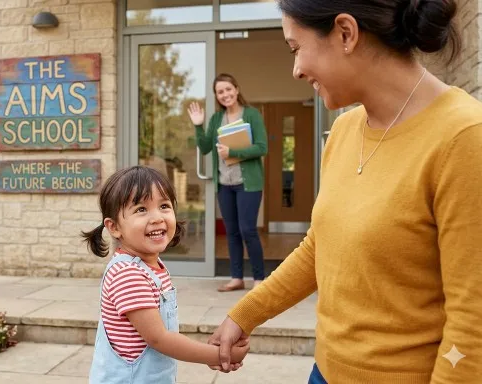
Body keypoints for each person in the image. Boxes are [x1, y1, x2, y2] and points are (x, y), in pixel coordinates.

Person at [208, 0, 482, 382]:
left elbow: (473, 321)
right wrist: (246, 312)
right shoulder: (343, 131)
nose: (296, 69)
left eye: (296, 48)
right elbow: (320, 247)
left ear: (345, 33)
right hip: (324, 372)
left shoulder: (463, 138)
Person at [81, 166, 250, 384]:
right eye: (141, 209)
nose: (157, 217)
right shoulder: (128, 275)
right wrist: (218, 355)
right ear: (114, 227)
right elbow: (159, 339)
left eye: (164, 206)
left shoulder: (151, 265)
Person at [187, 73, 269, 292]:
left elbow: (262, 147)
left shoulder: (251, 114)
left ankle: (259, 279)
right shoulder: (216, 119)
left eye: (228, 89)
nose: (225, 94)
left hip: (248, 183)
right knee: (231, 231)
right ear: (217, 96)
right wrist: (198, 125)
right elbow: (205, 148)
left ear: (237, 89)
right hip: (224, 184)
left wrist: (232, 152)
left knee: (248, 230)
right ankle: (236, 278)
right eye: (220, 92)